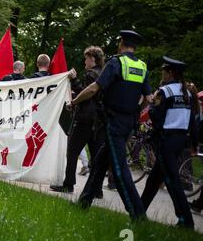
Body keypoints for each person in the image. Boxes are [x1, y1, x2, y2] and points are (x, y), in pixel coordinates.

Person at [71, 30, 152, 222]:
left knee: (119, 168)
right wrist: (135, 112)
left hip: (113, 122)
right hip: (129, 123)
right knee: (99, 163)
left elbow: (93, 88)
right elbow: (148, 99)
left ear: (122, 42)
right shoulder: (142, 67)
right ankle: (84, 202)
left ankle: (138, 215)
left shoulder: (116, 63)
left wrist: (74, 102)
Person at [141, 56, 198, 229]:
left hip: (166, 141)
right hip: (181, 140)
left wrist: (151, 106)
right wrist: (194, 144)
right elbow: (192, 122)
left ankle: (186, 220)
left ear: (170, 73)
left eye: (164, 71)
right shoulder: (187, 93)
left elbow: (157, 118)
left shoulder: (164, 92)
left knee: (172, 181)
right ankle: (138, 211)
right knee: (154, 179)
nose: (162, 74)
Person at [50, 46, 105, 197]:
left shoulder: (91, 74)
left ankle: (68, 185)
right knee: (96, 156)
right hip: (99, 121)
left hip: (85, 119)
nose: (85, 61)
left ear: (93, 58)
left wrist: (74, 80)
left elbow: (85, 92)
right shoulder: (105, 74)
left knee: (73, 151)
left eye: (86, 58)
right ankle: (97, 190)